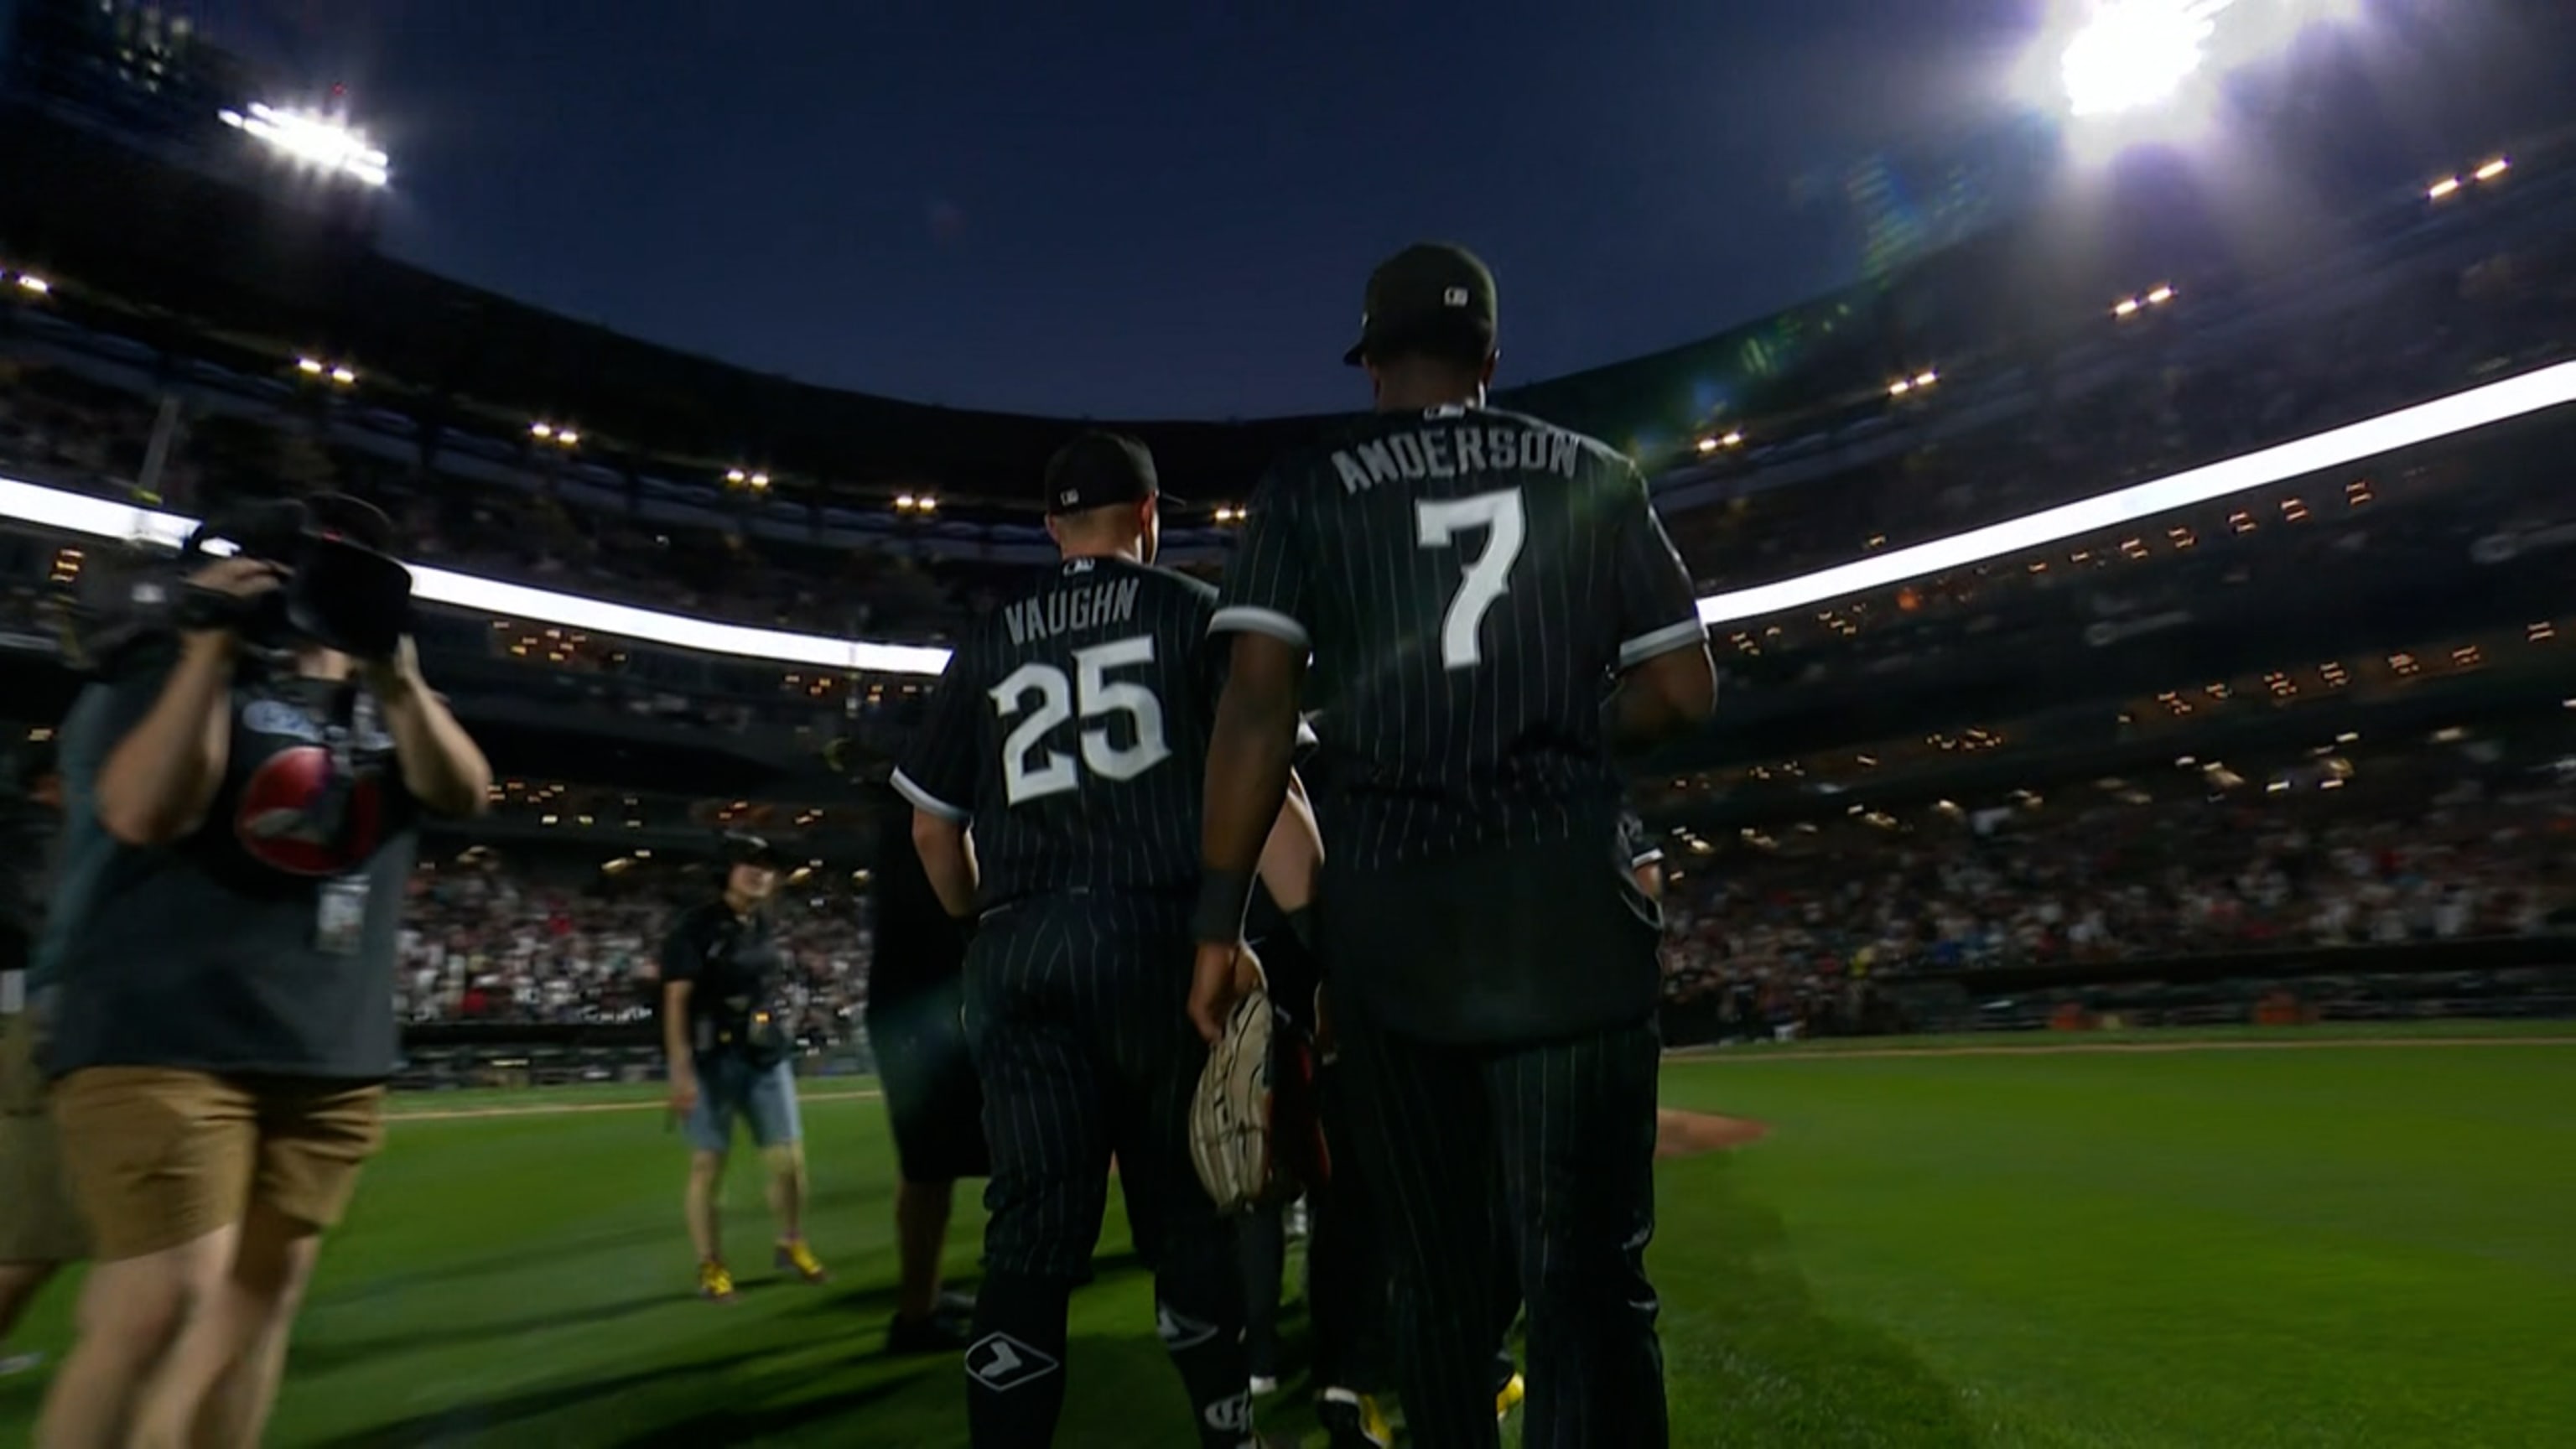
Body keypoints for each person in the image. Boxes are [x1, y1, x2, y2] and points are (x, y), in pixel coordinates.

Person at [1192, 242, 1718, 1449]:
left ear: (1373, 362)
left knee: (1433, 1292)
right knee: (1588, 1289)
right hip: (1570, 920)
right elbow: (1684, 690)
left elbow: (1256, 710)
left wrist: (1217, 924)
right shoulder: (1594, 471)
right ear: (1491, 356)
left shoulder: (1307, 490)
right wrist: (1567, 725)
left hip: (1397, 934)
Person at [35, 496, 493, 1449]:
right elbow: (146, 811)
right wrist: (209, 646)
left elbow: (463, 791)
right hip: (165, 1037)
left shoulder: (393, 701)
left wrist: (397, 674)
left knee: (254, 1313)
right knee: (158, 1306)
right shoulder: (167, 668)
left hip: (326, 1051)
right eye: (309, 560)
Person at [895, 430, 1323, 1449]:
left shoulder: (991, 638)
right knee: (1185, 1215)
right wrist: (1323, 945)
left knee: (1031, 1239)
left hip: (1022, 950)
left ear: (1052, 529)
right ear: (1149, 514)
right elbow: (1276, 801)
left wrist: (979, 929)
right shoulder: (1194, 613)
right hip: (1157, 942)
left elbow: (930, 827)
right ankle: (1231, 1432)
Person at [661, 832, 829, 1302]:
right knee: (708, 1164)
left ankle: (791, 1241)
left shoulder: (761, 924)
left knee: (789, 1160)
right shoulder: (694, 929)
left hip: (763, 1054)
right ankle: (711, 1264)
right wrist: (680, 1071)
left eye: (766, 865)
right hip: (711, 1059)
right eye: (747, 863)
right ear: (725, 872)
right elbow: (676, 1002)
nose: (759, 872)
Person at [863, 787, 985, 1354]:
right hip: (926, 1001)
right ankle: (915, 1316)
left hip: (914, 996)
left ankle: (925, 1297)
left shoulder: (908, 793)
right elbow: (946, 862)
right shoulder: (930, 802)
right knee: (931, 1162)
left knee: (929, 1166)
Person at [1, 740, 82, 1380]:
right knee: (39, 1227)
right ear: (53, 783)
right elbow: (41, 930)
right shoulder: (39, 837)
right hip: (26, 1022)